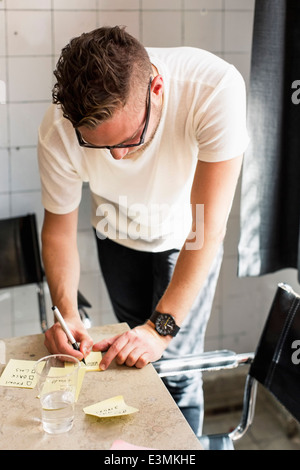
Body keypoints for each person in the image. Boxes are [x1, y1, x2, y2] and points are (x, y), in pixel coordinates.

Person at [38, 26, 249, 436]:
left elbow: (208, 227)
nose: (118, 157)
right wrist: (66, 312)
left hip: (188, 238)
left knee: (175, 368)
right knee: (135, 364)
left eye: (130, 139)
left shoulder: (213, 88)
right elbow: (59, 232)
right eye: (99, 146)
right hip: (116, 239)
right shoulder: (58, 130)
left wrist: (160, 329)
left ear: (157, 87)